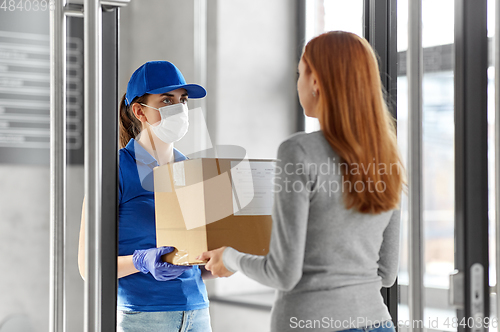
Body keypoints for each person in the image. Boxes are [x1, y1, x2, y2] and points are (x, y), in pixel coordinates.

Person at [199, 31, 405, 332]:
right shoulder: (387, 157)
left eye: (300, 73)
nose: (298, 83)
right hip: (377, 322)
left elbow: (283, 273)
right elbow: (386, 274)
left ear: (316, 82)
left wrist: (229, 257)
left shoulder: (298, 151)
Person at [78, 60, 213, 332]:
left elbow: (197, 254)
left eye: (182, 100)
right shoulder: (114, 169)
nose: (179, 108)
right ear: (140, 111)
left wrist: (217, 259)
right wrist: (142, 262)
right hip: (143, 317)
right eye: (166, 100)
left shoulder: (192, 170)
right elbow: (87, 267)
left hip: (197, 313)